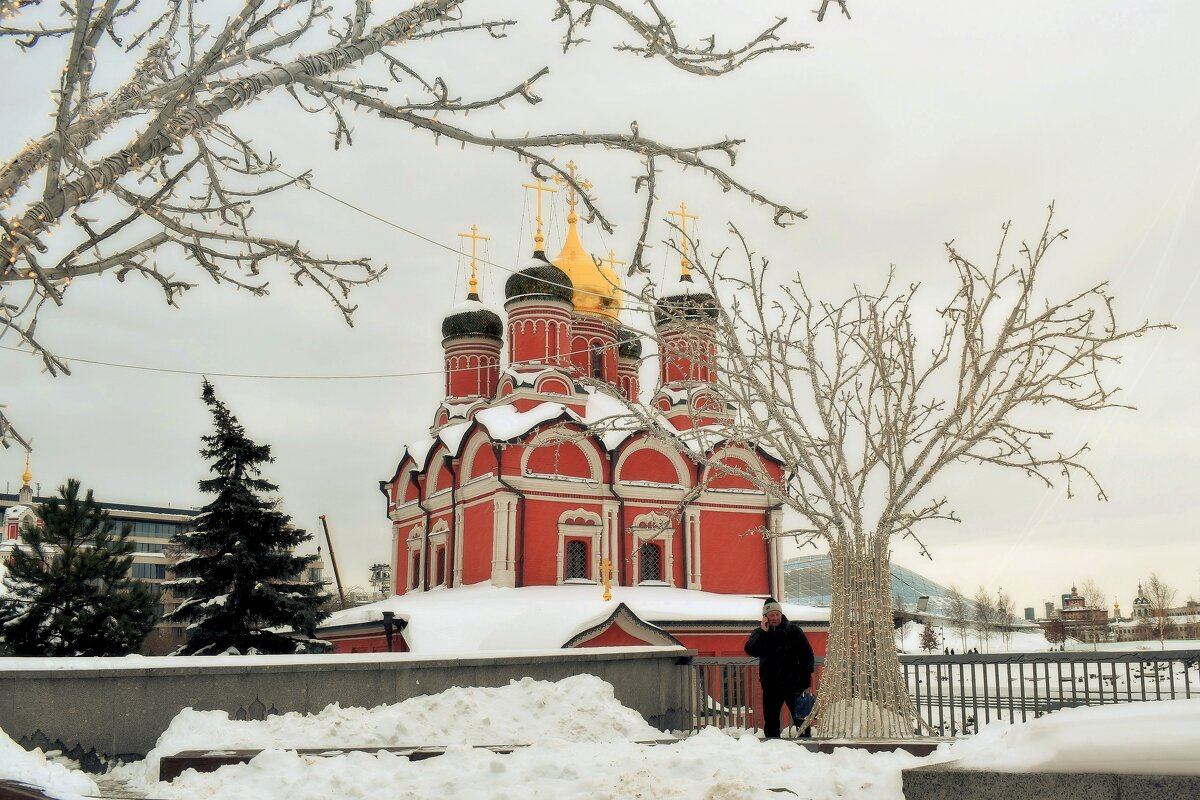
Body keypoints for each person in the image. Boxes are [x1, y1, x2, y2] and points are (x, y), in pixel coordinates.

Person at [745, 598, 815, 739]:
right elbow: (751, 650)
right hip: (771, 685)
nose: (775, 617)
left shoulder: (794, 631)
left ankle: (807, 747)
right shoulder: (759, 633)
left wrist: (804, 679)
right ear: (765, 617)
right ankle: (772, 750)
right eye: (771, 615)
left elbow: (807, 655)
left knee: (801, 721)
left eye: (777, 614)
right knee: (771, 722)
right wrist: (764, 633)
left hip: (794, 684)